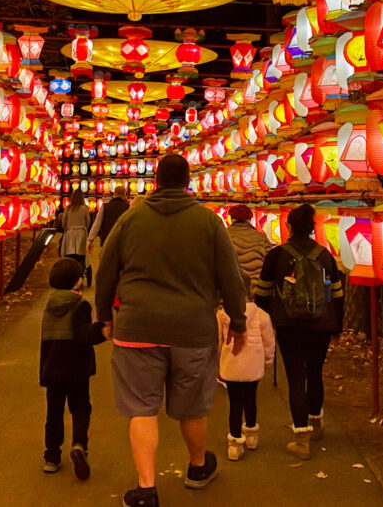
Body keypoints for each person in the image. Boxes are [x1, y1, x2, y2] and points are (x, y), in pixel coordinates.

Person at [95, 153, 248, 507]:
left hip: (137, 328)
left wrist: (104, 315)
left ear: (156, 182)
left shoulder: (131, 220)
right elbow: (231, 277)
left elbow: (105, 271)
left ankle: (146, 490)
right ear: (188, 182)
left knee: (142, 407)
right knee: (193, 405)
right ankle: (197, 467)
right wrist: (238, 322)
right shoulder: (209, 223)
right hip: (192, 329)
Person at [254, 203, 344, 461]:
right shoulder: (325, 255)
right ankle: (316, 422)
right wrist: (337, 326)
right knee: (314, 372)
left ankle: (301, 438)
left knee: (295, 376)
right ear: (313, 228)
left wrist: (265, 322)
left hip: (288, 324)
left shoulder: (276, 255)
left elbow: (262, 293)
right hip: (321, 324)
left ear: (289, 226)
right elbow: (336, 294)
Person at [40, 258, 107, 479]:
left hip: (52, 366)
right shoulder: (80, 305)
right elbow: (83, 334)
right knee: (80, 407)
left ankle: (51, 456)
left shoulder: (49, 305)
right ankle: (79, 445)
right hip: (76, 366)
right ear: (77, 282)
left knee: (54, 411)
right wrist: (101, 331)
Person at [217, 279, 275, 462]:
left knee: (235, 403)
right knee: (251, 399)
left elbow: (218, 341)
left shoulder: (222, 315)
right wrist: (268, 360)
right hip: (253, 365)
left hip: (231, 364)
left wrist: (217, 361)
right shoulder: (262, 315)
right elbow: (269, 342)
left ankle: (234, 444)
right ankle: (251, 436)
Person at [86, 186, 131, 283]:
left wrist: (90, 240)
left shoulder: (105, 207)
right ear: (124, 196)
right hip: (123, 244)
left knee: (108, 270)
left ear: (114, 194)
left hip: (107, 243)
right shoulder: (128, 208)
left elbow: (96, 225)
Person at [225, 204, 272, 292]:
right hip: (256, 288)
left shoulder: (223, 235)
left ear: (231, 219)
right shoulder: (261, 237)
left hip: (231, 288)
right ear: (250, 219)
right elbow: (269, 263)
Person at [60, 189, 91, 273]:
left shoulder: (68, 209)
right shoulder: (84, 209)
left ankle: (70, 272)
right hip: (81, 233)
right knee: (80, 254)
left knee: (70, 253)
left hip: (70, 233)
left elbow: (64, 223)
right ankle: (81, 272)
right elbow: (87, 222)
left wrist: (68, 228)